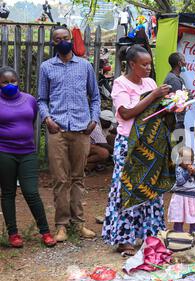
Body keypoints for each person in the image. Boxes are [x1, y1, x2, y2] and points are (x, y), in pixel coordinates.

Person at [102, 45, 171, 256]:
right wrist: (152, 96)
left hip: (150, 143)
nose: (149, 68)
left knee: (150, 188)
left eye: (150, 63)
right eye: (144, 64)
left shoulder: (150, 82)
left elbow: (156, 110)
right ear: (132, 64)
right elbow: (126, 113)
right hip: (128, 144)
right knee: (128, 187)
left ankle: (150, 235)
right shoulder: (120, 84)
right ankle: (125, 239)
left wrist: (173, 105)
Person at [38, 26, 100, 242]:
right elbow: (42, 99)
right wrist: (47, 119)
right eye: (58, 39)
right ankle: (61, 226)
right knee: (60, 179)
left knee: (78, 178)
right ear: (53, 43)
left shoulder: (85, 66)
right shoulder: (47, 67)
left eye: (65, 38)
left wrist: (93, 120)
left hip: (82, 130)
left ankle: (79, 224)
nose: (62, 41)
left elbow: (95, 97)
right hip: (58, 130)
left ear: (71, 40)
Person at [0, 67, 56, 248]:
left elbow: (30, 122)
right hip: (4, 152)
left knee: (31, 191)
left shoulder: (29, 100)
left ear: (18, 81)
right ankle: (13, 234)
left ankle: (45, 232)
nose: (10, 85)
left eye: (13, 81)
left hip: (27, 152)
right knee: (8, 193)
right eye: (5, 82)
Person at [168, 147, 195, 233]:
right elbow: (179, 181)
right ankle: (178, 238)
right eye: (185, 160)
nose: (188, 162)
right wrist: (187, 173)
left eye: (190, 160)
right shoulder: (178, 169)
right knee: (179, 220)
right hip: (180, 198)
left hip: (193, 198)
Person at [164, 52, 187, 135]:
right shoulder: (174, 80)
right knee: (179, 145)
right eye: (184, 60)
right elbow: (178, 102)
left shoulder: (178, 78)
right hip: (176, 120)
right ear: (180, 63)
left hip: (178, 119)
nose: (186, 63)